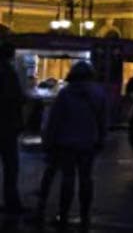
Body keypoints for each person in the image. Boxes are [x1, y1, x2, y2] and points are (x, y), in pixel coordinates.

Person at [38, 61, 106, 231]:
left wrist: (49, 142)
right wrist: (101, 139)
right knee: (86, 179)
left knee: (67, 179)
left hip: (66, 143)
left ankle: (64, 214)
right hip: (88, 142)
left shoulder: (65, 94)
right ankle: (85, 215)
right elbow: (103, 120)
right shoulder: (98, 93)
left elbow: (55, 121)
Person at [0, 41, 25, 216]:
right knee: (11, 166)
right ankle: (11, 202)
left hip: (6, 123)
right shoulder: (8, 72)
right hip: (7, 125)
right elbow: (15, 97)